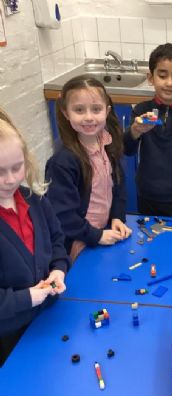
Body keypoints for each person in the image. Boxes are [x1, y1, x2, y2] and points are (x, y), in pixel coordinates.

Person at [0, 114, 70, 367]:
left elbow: (57, 240)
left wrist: (59, 269)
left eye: (17, 167)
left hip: (47, 317)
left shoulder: (35, 199)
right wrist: (27, 297)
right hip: (9, 336)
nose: (10, 179)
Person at [45, 75, 131, 262]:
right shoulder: (62, 162)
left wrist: (117, 217)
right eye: (79, 110)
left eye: (96, 109)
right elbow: (63, 215)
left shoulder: (108, 143)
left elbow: (118, 184)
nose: (89, 117)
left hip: (105, 230)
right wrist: (96, 236)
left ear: (107, 111)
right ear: (66, 113)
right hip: (80, 240)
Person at [124, 43, 172, 219]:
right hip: (147, 195)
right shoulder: (141, 111)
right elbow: (127, 149)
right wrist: (135, 130)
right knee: (148, 234)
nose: (169, 83)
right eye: (162, 75)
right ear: (150, 78)